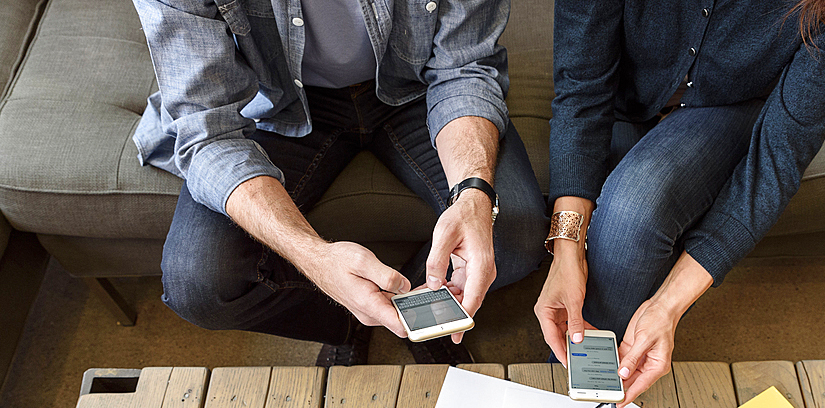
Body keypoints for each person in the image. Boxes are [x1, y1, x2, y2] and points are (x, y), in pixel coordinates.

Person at [131, 0, 547, 366]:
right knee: (197, 281)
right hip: (276, 104)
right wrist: (314, 259)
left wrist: (474, 194)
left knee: (517, 231)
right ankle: (353, 322)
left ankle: (421, 316)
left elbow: (463, 67)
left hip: (419, 85)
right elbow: (209, 130)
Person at [535, 0, 825, 405]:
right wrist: (565, 248)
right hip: (623, 85)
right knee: (623, 220)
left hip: (730, 104)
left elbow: (781, 150)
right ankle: (559, 395)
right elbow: (581, 85)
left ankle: (571, 399)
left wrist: (668, 307)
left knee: (632, 209)